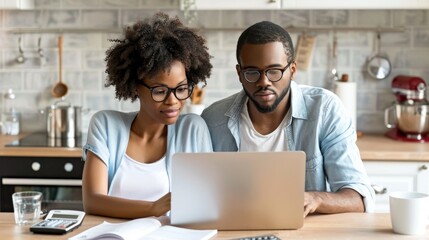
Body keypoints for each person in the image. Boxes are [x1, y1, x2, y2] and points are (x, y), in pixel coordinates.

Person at [201, 21, 375, 217]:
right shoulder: (212, 120)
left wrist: (314, 199)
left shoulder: (325, 110)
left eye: (274, 71)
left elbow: (359, 198)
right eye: (252, 72)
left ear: (292, 70)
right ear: (240, 74)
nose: (263, 82)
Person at [81, 12, 213, 219]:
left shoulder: (193, 129)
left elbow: (206, 201)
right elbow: (93, 201)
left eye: (181, 89)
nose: (173, 101)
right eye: (160, 91)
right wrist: (153, 208)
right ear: (135, 88)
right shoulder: (106, 125)